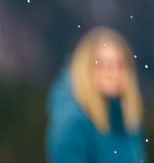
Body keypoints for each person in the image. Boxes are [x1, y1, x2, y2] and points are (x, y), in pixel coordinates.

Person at [46, 27, 148, 163]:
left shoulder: (128, 120)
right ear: (84, 68)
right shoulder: (72, 122)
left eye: (119, 65)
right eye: (101, 65)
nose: (112, 73)